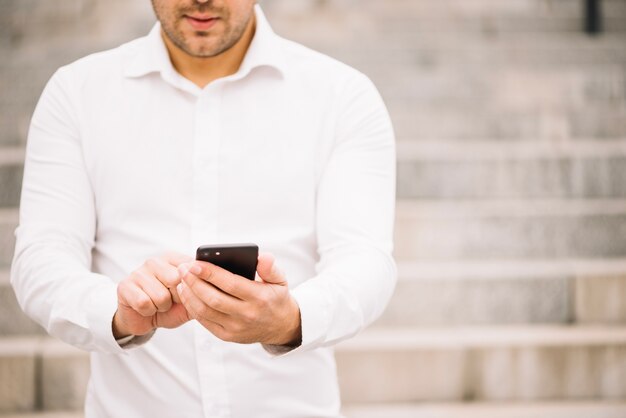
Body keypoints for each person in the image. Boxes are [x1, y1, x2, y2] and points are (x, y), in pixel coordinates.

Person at [11, 0, 397, 417]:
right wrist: (116, 312)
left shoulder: (342, 96)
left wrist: (292, 319)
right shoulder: (76, 93)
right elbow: (41, 257)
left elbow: (365, 258)